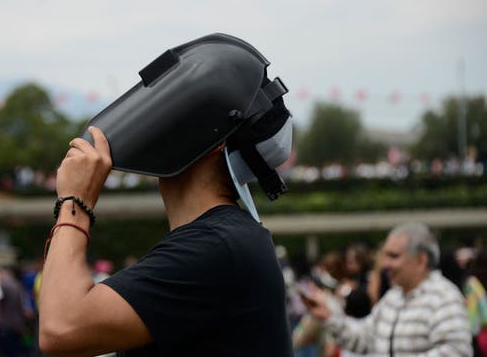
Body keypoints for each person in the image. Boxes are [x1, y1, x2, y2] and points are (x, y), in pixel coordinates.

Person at [38, 34, 294, 356]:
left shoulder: (216, 248)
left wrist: (74, 202)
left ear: (215, 141)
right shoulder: (221, 240)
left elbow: (61, 330)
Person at [302, 222, 472, 356]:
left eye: (394, 256)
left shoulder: (444, 297)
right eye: (385, 256)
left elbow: (457, 352)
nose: (385, 264)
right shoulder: (393, 298)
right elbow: (363, 340)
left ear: (421, 260)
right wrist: (329, 316)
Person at [0, 266, 30, 357]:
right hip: (17, 324)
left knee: (7, 351)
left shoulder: (3, 286)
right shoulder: (17, 284)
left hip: (5, 325)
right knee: (16, 350)